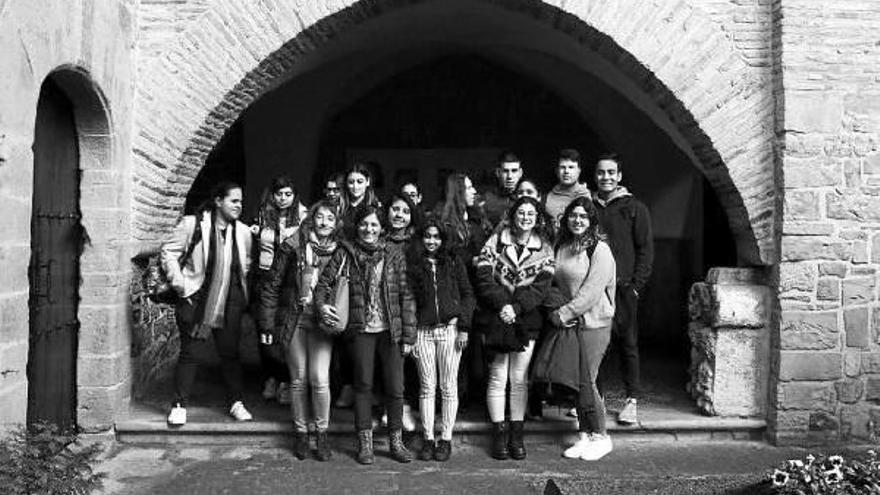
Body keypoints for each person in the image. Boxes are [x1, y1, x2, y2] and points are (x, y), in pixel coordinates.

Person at [314, 205, 417, 465]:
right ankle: (365, 444)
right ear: (357, 225)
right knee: (363, 386)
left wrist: (409, 335)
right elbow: (323, 284)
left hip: (390, 330)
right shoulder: (345, 252)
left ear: (382, 228)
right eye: (364, 224)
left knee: (396, 388)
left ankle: (396, 442)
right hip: (360, 329)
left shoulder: (394, 253)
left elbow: (406, 296)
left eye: (374, 225)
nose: (369, 229)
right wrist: (322, 305)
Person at [162, 182, 254, 426]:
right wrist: (180, 285)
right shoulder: (193, 225)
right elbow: (168, 252)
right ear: (218, 201)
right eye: (234, 201)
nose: (239, 206)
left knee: (230, 355)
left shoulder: (243, 232)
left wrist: (241, 296)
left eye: (241, 202)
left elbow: (246, 264)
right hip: (196, 298)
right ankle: (179, 405)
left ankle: (236, 402)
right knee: (190, 353)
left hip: (230, 301)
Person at [259, 200, 341, 461]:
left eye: (330, 218)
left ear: (337, 223)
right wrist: (267, 322)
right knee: (298, 379)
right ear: (311, 219)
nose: (324, 222)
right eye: (320, 217)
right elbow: (272, 285)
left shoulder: (342, 252)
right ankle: (302, 434)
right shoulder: (293, 246)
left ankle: (322, 433)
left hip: (322, 324)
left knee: (319, 378)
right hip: (295, 319)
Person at [476, 196, 555, 461]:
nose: (525, 217)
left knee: (519, 379)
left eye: (530, 213)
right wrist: (502, 305)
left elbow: (541, 288)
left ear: (537, 218)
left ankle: (516, 436)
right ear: (513, 215)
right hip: (496, 316)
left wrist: (517, 308)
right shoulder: (495, 241)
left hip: (526, 320)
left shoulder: (544, 248)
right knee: (498, 376)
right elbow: (484, 276)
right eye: (521, 212)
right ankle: (499, 435)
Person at [540, 197, 616, 460]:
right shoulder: (562, 245)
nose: (577, 220)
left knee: (588, 381)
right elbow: (552, 281)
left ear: (592, 220)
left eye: (583, 216)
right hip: (569, 323)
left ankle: (601, 437)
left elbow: (592, 292)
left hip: (594, 323)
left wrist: (563, 313)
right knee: (577, 382)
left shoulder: (600, 249)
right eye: (573, 215)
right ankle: (584, 436)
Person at [593, 153, 654, 425]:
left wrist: (635, 287)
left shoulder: (635, 208)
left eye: (610, 173)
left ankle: (631, 401)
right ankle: (597, 399)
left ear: (619, 177)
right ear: (595, 176)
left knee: (628, 344)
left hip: (624, 288)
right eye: (601, 173)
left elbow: (646, 250)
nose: (605, 177)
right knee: (596, 344)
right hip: (594, 289)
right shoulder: (589, 207)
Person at [408, 220, 475, 462]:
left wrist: (464, 327)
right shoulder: (414, 265)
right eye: (427, 236)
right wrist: (410, 333)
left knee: (448, 387)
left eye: (437, 237)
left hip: (450, 330)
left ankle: (445, 439)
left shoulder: (454, 263)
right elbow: (408, 301)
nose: (432, 241)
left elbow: (468, 295)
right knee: (427, 387)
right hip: (423, 332)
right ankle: (427, 438)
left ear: (443, 239)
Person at [436, 173, 492, 408]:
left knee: (474, 357)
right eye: (468, 188)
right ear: (458, 192)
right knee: (453, 356)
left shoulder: (478, 222)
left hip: (477, 296)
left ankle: (469, 402)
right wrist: (474, 259)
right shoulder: (445, 225)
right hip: (455, 296)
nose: (473, 192)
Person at [251, 175, 307, 405]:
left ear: (294, 196)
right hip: (265, 278)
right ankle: (271, 377)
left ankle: (285, 380)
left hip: (289, 281)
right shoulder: (262, 214)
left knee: (285, 332)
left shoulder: (303, 217)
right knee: (265, 331)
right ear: (272, 195)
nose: (283, 199)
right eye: (279, 194)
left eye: (288, 194)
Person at [544, 149, 591, 229]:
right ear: (557, 171)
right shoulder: (546, 197)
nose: (566, 171)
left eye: (571, 167)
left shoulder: (587, 196)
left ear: (579, 171)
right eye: (562, 167)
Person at [340, 163, 381, 241]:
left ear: (367, 181)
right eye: (351, 182)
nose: (355, 186)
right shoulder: (340, 206)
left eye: (360, 182)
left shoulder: (376, 206)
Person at [482, 150, 523, 226]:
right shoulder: (487, 199)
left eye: (514, 171)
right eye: (505, 171)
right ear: (498, 172)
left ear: (520, 173)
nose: (509, 176)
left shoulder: (526, 197)